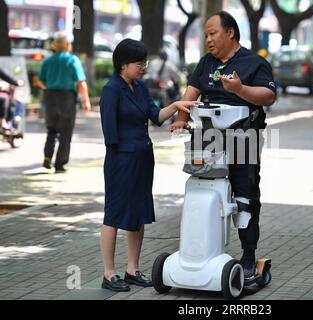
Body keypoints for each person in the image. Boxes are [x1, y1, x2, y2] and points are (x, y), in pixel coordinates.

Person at [170, 11, 277, 280]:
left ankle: (249, 255)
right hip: (207, 135)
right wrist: (181, 119)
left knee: (245, 193)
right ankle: (202, 250)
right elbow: (192, 91)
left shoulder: (254, 63)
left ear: (230, 32)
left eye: (212, 33)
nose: (208, 39)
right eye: (205, 35)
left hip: (244, 135)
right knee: (201, 185)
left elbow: (269, 96)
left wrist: (240, 90)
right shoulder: (207, 63)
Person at [99, 39, 197, 292]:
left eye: (145, 62)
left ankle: (132, 269)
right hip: (121, 160)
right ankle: (109, 274)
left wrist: (176, 106)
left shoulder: (140, 88)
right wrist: (124, 158)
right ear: (123, 65)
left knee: (139, 211)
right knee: (114, 213)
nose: (143, 67)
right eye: (139, 63)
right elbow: (110, 134)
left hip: (144, 158)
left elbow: (155, 117)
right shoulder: (111, 90)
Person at [38, 30, 91, 173]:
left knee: (51, 129)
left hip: (50, 95)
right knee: (65, 131)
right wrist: (85, 100)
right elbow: (81, 82)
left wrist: (49, 88)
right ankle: (60, 164)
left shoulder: (48, 60)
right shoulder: (72, 60)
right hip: (66, 97)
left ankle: (47, 157)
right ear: (68, 45)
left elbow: (40, 81)